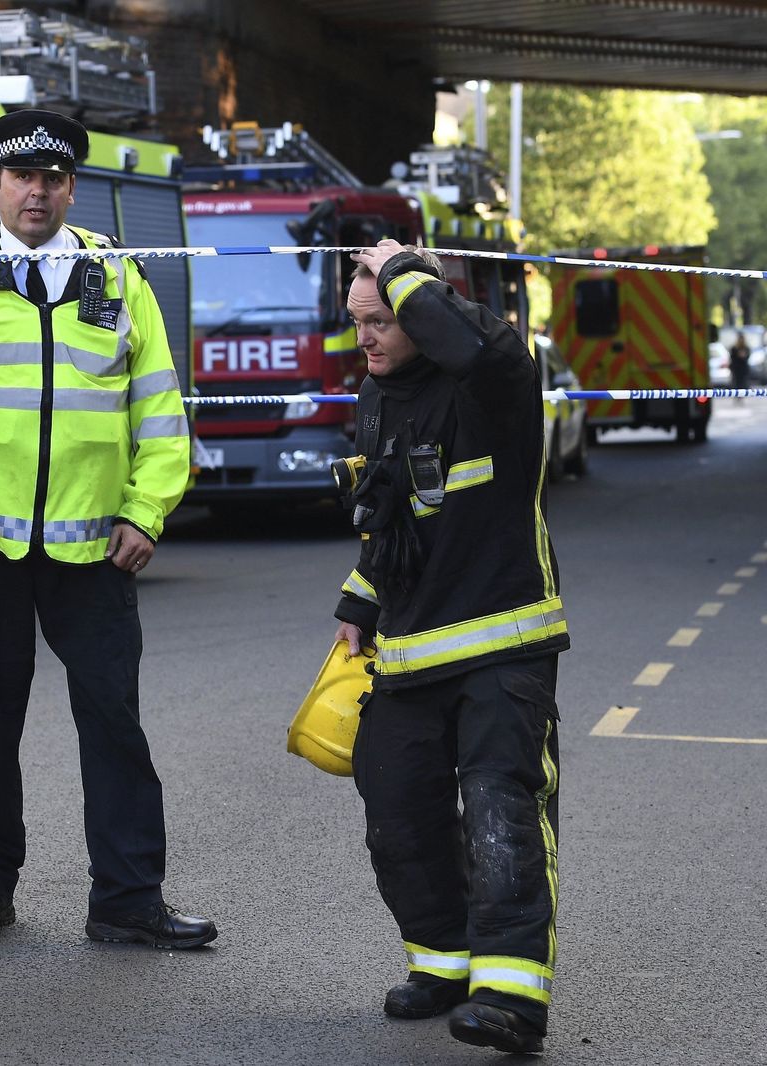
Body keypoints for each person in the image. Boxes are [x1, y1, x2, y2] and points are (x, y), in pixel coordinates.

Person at [0, 109, 215, 950]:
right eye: (22, 176)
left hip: (94, 543)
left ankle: (128, 898)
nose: (38, 191)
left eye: (53, 178)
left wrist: (146, 511)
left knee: (113, 720)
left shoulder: (116, 278)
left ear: (70, 188)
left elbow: (161, 411)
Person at [332, 239, 567, 1055]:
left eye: (383, 321)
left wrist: (403, 270)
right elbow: (392, 514)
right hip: (408, 656)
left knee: (502, 814)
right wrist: (360, 598)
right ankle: (445, 961)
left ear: (424, 313)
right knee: (398, 816)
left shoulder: (492, 378)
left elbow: (474, 343)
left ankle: (511, 996)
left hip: (504, 645)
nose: (365, 338)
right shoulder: (377, 394)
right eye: (357, 322)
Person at [729, 336, 751, 403]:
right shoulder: (734, 348)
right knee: (736, 382)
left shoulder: (746, 348)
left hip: (743, 369)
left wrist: (744, 356)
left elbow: (748, 356)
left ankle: (741, 396)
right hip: (736, 368)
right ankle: (736, 395)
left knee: (742, 382)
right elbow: (732, 357)